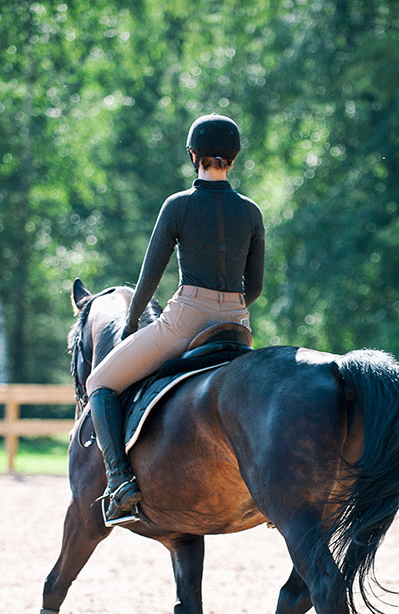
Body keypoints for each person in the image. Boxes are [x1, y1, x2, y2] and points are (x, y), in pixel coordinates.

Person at [84, 114, 265, 523]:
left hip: (187, 318)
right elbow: (255, 285)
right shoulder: (251, 212)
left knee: (100, 383)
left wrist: (131, 325)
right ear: (233, 160)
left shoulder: (178, 205)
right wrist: (229, 304)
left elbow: (149, 278)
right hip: (238, 321)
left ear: (192, 156)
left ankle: (120, 484)